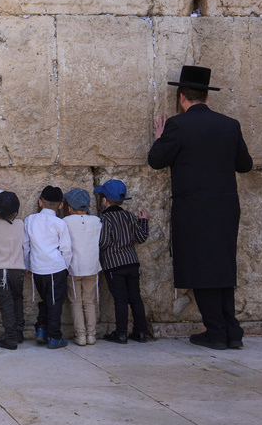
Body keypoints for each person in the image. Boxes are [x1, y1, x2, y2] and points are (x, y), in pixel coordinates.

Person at [148, 65, 253, 351]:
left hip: (194, 207)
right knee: (221, 266)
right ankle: (232, 331)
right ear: (206, 97)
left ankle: (217, 332)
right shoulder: (230, 125)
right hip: (226, 206)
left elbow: (156, 160)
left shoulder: (177, 125)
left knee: (201, 266)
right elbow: (245, 165)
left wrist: (160, 138)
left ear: (182, 97)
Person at [94, 180, 152, 344]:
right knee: (135, 298)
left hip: (114, 265)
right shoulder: (128, 216)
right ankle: (140, 332)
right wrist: (143, 221)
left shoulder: (105, 218)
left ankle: (121, 333)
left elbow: (103, 241)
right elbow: (141, 237)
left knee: (120, 300)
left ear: (105, 200)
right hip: (132, 263)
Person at [24, 186, 72, 349]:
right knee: (55, 303)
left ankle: (41, 330)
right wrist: (65, 268)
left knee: (45, 300)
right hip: (55, 268)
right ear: (60, 205)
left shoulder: (29, 220)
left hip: (37, 268)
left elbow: (25, 246)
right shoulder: (60, 223)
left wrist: (27, 265)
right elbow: (66, 249)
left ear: (40, 202)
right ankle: (55, 337)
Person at [0, 190, 26, 350]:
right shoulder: (21, 224)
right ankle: (19, 332)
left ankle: (10, 339)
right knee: (18, 299)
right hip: (18, 269)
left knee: (6, 303)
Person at [62, 188, 102, 346]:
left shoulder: (65, 222)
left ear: (70, 207)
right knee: (90, 301)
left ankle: (80, 335)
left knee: (76, 302)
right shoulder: (97, 221)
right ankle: (92, 335)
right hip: (92, 267)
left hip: (74, 268)